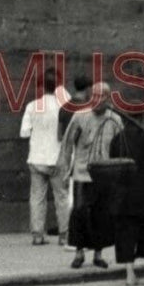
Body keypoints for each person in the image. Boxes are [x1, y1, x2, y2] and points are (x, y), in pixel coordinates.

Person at [57, 79, 122, 269]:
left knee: (101, 215)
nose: (96, 99)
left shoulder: (115, 119)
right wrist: (64, 169)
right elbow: (67, 144)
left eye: (101, 96)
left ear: (108, 98)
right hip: (82, 173)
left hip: (106, 175)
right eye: (93, 95)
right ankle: (78, 254)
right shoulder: (80, 116)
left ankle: (98, 254)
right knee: (79, 213)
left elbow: (120, 148)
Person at [109, 102, 144, 286]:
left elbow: (113, 164)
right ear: (142, 117)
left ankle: (130, 274)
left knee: (126, 233)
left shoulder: (117, 139)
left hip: (125, 195)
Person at [20, 66, 71, 247]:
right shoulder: (65, 106)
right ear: (57, 86)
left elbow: (24, 133)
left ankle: (37, 235)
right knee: (62, 197)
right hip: (57, 156)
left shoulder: (32, 106)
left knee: (37, 197)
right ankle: (64, 235)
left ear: (41, 86)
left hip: (36, 157)